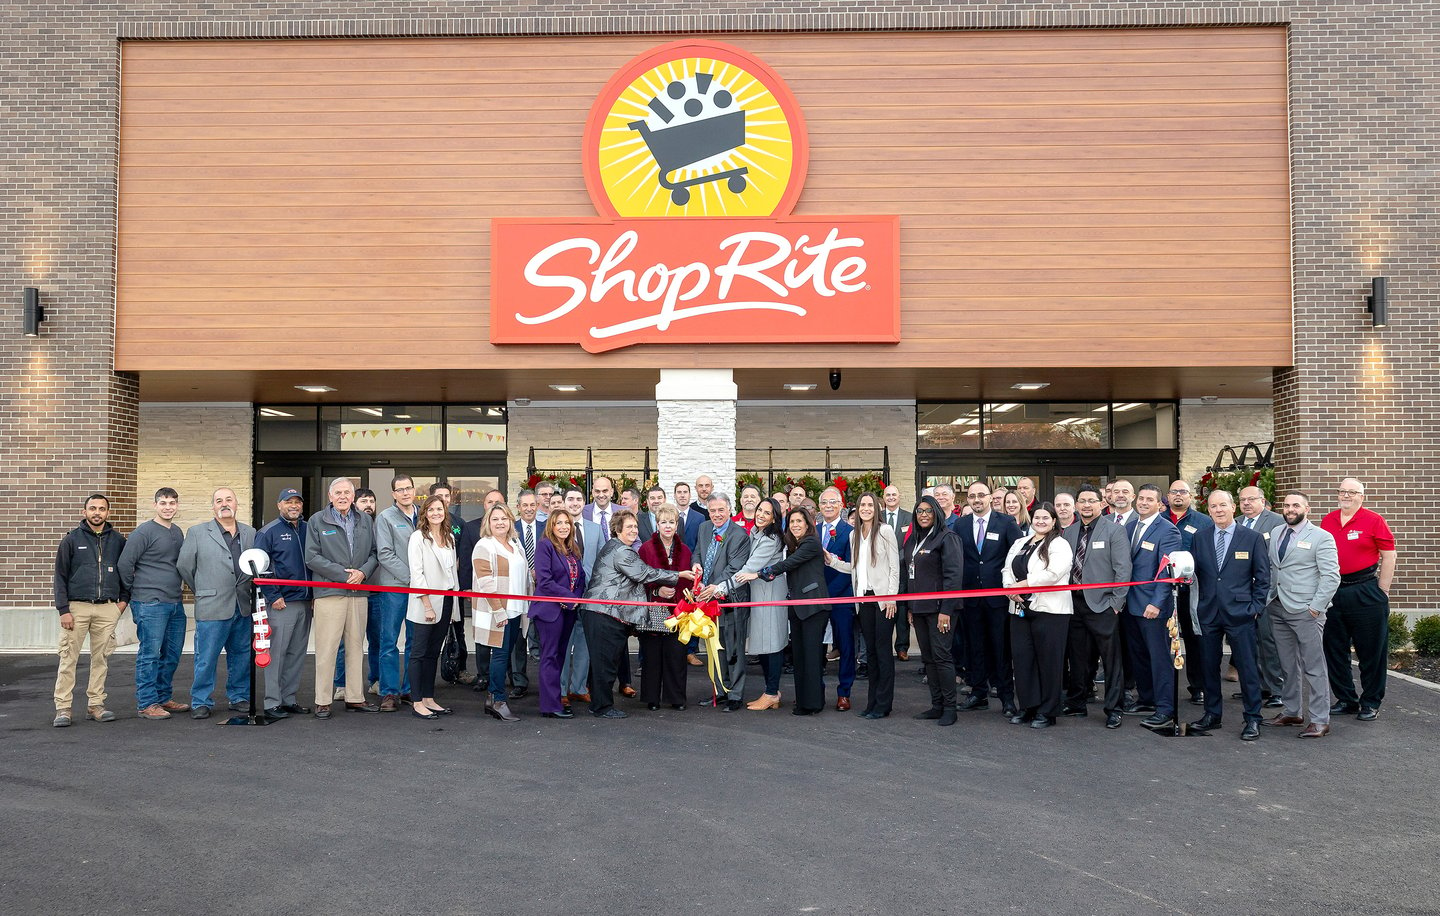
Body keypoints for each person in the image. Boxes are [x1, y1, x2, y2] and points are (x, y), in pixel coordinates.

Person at [580, 511, 690, 718]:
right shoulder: (622, 551)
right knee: (605, 664)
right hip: (604, 614)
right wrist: (679, 575)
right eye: (628, 527)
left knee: (602, 664)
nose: (633, 530)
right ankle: (603, 707)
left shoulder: (618, 548)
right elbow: (645, 573)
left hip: (603, 613)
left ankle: (599, 704)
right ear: (617, 529)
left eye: (635, 527)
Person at [1189, 490, 1271, 740]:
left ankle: (1253, 718)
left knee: (1247, 668)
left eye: (1223, 505)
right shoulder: (1200, 538)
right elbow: (1195, 576)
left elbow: (1263, 578)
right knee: (1209, 667)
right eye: (1213, 506)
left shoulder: (1252, 538)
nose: (1218, 510)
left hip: (1241, 613)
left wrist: (1255, 608)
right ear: (1209, 510)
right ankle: (1212, 715)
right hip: (1209, 612)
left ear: (1233, 507)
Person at [1262, 491, 1341, 737]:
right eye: (1286, 505)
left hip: (1306, 611)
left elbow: (1331, 576)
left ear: (1307, 508)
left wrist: (1316, 607)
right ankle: (1292, 711)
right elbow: (1275, 569)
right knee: (1287, 664)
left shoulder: (1321, 537)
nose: (1290, 509)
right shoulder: (1277, 532)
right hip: (1277, 606)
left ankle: (1319, 720)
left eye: (1295, 505)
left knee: (1314, 667)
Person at [1320, 477, 1397, 721]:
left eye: (1352, 492)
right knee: (1334, 649)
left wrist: (1382, 590)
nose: (1346, 496)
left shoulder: (1374, 520)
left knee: (1371, 650)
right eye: (1342, 491)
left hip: (1365, 589)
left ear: (1361, 496)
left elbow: (1389, 554)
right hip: (1333, 590)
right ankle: (1346, 699)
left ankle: (1371, 701)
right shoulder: (1328, 520)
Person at [304, 477, 380, 719]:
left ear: (353, 495)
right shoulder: (317, 520)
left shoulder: (365, 520)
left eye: (347, 492)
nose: (343, 496)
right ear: (330, 496)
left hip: (359, 593)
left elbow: (374, 553)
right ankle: (323, 700)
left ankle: (355, 698)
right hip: (330, 593)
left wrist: (363, 573)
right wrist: (343, 575)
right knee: (327, 648)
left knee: (357, 647)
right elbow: (312, 557)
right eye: (338, 492)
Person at [177, 488, 255, 720]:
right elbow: (184, 566)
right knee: (206, 657)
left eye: (228, 499)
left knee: (241, 655)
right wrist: (202, 589)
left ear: (236, 504)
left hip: (242, 605)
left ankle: (239, 696)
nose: (224, 504)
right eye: (219, 501)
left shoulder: (250, 533)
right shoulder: (197, 532)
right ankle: (201, 700)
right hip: (212, 605)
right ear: (213, 507)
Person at [51, 494, 128, 727]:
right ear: (84, 512)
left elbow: (127, 572)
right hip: (76, 609)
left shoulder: (118, 541)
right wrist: (63, 609)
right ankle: (63, 708)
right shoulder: (71, 540)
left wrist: (122, 602)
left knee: (101, 659)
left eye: (102, 509)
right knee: (68, 659)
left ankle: (96, 704)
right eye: (92, 508)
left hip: (107, 609)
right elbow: (60, 576)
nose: (97, 512)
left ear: (108, 513)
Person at [1061, 484, 1132, 729]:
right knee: (1078, 656)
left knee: (1111, 660)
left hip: (1103, 604)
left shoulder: (1114, 531)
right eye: (1082, 501)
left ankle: (1114, 707)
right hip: (1075, 603)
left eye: (1092, 500)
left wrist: (1116, 602)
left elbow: (1123, 569)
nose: (1087, 505)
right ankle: (1077, 702)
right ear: (1077, 505)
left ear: (1102, 503)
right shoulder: (1068, 532)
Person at [749, 508, 830, 716]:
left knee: (811, 658)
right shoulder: (795, 545)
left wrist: (761, 573)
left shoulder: (811, 542)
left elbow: (788, 564)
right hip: (797, 607)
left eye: (799, 521)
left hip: (813, 607)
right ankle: (804, 700)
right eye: (792, 521)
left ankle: (812, 704)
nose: (795, 525)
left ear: (808, 524)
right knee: (800, 657)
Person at [826, 492, 900, 719]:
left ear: (877, 508)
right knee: (872, 655)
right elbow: (856, 568)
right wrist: (834, 561)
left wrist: (891, 597)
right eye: (862, 505)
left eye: (870, 505)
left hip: (883, 600)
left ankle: (883, 704)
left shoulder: (885, 531)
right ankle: (872, 702)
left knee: (883, 652)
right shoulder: (854, 535)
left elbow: (894, 567)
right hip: (863, 600)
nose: (866, 509)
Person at [117, 487, 187, 721]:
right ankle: (147, 703)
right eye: (163, 503)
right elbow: (125, 564)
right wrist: (137, 590)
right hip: (150, 603)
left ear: (177, 505)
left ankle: (163, 696)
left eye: (172, 503)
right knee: (150, 654)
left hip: (174, 602)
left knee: (172, 653)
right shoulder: (144, 532)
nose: (168, 507)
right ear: (155, 505)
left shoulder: (177, 532)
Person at [1002, 503, 1074, 728]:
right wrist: (1010, 589)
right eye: (1037, 517)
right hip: (1020, 610)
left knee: (1049, 662)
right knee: (1023, 661)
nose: (1040, 521)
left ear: (1054, 521)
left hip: (1050, 612)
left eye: (1046, 518)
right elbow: (1006, 569)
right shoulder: (1020, 542)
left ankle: (1047, 711)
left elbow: (1053, 574)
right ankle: (1028, 707)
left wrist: (1022, 585)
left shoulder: (1060, 544)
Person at [958, 480, 1022, 717]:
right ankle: (978, 693)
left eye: (981, 495)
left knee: (1000, 648)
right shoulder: (961, 525)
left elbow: (1018, 555)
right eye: (972, 496)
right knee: (974, 647)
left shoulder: (1006, 522)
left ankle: (1007, 697)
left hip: (999, 600)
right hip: (970, 598)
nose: (976, 500)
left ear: (991, 498)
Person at [899, 495, 964, 726]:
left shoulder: (948, 538)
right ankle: (936, 705)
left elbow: (953, 577)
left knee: (942, 656)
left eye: (928, 510)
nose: (923, 515)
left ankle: (949, 708)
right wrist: (909, 607)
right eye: (919, 511)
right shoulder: (913, 541)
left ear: (936, 512)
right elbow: (909, 576)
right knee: (928, 659)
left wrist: (946, 609)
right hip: (919, 609)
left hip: (941, 611)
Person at [1123, 484, 1183, 731]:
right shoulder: (1129, 527)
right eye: (1142, 498)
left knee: (1159, 658)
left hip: (1152, 606)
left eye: (1151, 500)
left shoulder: (1168, 531)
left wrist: (1157, 603)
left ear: (1160, 504)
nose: (1144, 503)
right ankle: (1146, 698)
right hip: (1129, 603)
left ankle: (1165, 708)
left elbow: (1167, 572)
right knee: (1138, 655)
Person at [722, 498, 788, 710]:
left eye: (767, 513)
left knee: (773, 643)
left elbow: (748, 569)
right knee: (765, 644)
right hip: (759, 595)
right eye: (760, 510)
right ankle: (772, 692)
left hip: (770, 595)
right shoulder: (756, 533)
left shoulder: (771, 539)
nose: (761, 515)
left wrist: (720, 588)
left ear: (774, 518)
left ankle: (771, 693)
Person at [254, 488, 312, 719]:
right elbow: (259, 566)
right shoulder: (268, 532)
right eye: (289, 502)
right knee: (276, 654)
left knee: (297, 653)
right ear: (279, 505)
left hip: (306, 600)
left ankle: (289, 699)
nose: (294, 506)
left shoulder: (309, 529)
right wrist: (273, 595)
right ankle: (272, 702)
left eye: (297, 502)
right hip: (282, 602)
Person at [472, 503, 531, 723]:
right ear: (488, 522)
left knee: (506, 654)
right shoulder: (484, 546)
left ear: (510, 521)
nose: (500, 523)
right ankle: (498, 700)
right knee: (500, 655)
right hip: (498, 610)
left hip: (515, 609)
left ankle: (492, 699)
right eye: (495, 519)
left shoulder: (515, 544)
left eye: (504, 518)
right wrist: (498, 610)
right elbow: (485, 582)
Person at [693, 494, 752, 710]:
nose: (717, 515)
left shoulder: (739, 535)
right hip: (707, 600)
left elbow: (734, 568)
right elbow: (698, 552)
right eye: (713, 510)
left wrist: (713, 588)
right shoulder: (704, 528)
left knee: (733, 649)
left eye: (721, 510)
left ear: (729, 510)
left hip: (730, 600)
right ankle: (720, 691)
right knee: (714, 648)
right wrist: (696, 566)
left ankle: (735, 695)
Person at [635, 503, 693, 710]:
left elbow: (688, 581)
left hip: (678, 610)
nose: (667, 526)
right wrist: (656, 590)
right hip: (654, 608)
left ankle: (676, 698)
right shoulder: (645, 549)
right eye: (663, 522)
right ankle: (652, 698)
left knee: (676, 654)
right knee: (652, 655)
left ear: (677, 525)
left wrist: (679, 594)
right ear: (657, 524)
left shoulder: (685, 550)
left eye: (671, 522)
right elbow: (639, 578)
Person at [406, 495, 458, 720]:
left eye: (440, 509)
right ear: (424, 513)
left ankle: (429, 697)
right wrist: (427, 604)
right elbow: (417, 574)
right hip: (424, 604)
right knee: (419, 653)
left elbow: (452, 573)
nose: (436, 513)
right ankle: (417, 701)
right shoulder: (418, 538)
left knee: (433, 653)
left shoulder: (449, 538)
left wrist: (453, 605)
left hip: (446, 601)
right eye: (432, 509)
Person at [531, 510, 587, 718]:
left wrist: (575, 599)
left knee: (561, 657)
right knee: (550, 657)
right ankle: (550, 706)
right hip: (549, 612)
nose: (563, 526)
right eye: (558, 523)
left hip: (568, 611)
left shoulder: (572, 548)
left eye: (567, 523)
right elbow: (544, 581)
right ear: (551, 526)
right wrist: (568, 598)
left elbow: (579, 578)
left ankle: (556, 700)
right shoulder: (545, 546)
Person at [373, 474, 421, 711]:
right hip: (395, 587)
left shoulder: (423, 515)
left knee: (415, 640)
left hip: (419, 590)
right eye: (400, 489)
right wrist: (413, 579)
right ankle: (389, 692)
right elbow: (385, 554)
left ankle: (409, 689)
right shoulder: (385, 518)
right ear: (393, 494)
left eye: (408, 488)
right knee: (389, 640)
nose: (405, 493)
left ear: (414, 491)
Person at [1237, 485, 1288, 705]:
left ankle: (1276, 689)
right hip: (1240, 593)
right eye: (1242, 500)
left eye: (1251, 499)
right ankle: (1256, 686)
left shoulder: (1277, 521)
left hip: (1267, 593)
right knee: (1247, 642)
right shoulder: (1236, 522)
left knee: (1268, 641)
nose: (1246, 503)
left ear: (1262, 500)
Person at [1165, 479, 1214, 706]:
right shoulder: (1158, 519)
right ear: (1168, 496)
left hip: (1192, 590)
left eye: (1183, 492)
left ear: (1190, 496)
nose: (1178, 495)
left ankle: (1198, 687)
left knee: (1194, 639)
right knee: (1163, 639)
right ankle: (1163, 687)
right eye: (1174, 492)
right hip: (1163, 590)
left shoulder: (1204, 522)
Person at [815, 486, 856, 711]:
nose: (828, 506)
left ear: (841, 506)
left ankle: (844, 693)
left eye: (833, 502)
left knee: (845, 646)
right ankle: (814, 691)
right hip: (817, 597)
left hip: (841, 596)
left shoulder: (850, 532)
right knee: (816, 646)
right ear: (819, 507)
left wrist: (830, 594)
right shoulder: (813, 530)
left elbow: (852, 568)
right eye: (824, 502)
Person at [429, 482, 474, 685]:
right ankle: (428, 673)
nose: (445, 500)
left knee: (458, 627)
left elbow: (464, 554)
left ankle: (460, 668)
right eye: (440, 496)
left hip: (452, 583)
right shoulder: (424, 524)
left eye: (447, 496)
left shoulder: (459, 522)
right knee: (431, 630)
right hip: (431, 585)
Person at [880, 485, 914, 660]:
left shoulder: (909, 517)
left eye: (894, 494)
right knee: (884, 611)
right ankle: (884, 647)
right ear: (884, 497)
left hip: (902, 570)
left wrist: (896, 558)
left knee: (901, 612)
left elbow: (911, 543)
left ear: (899, 497)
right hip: (881, 572)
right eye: (888, 495)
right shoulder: (878, 517)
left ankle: (902, 647)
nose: (891, 497)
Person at [583, 475, 618, 545]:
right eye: (597, 491)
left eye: (605, 491)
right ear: (592, 492)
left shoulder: (623, 512)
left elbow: (634, 539)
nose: (601, 495)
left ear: (611, 492)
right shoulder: (582, 512)